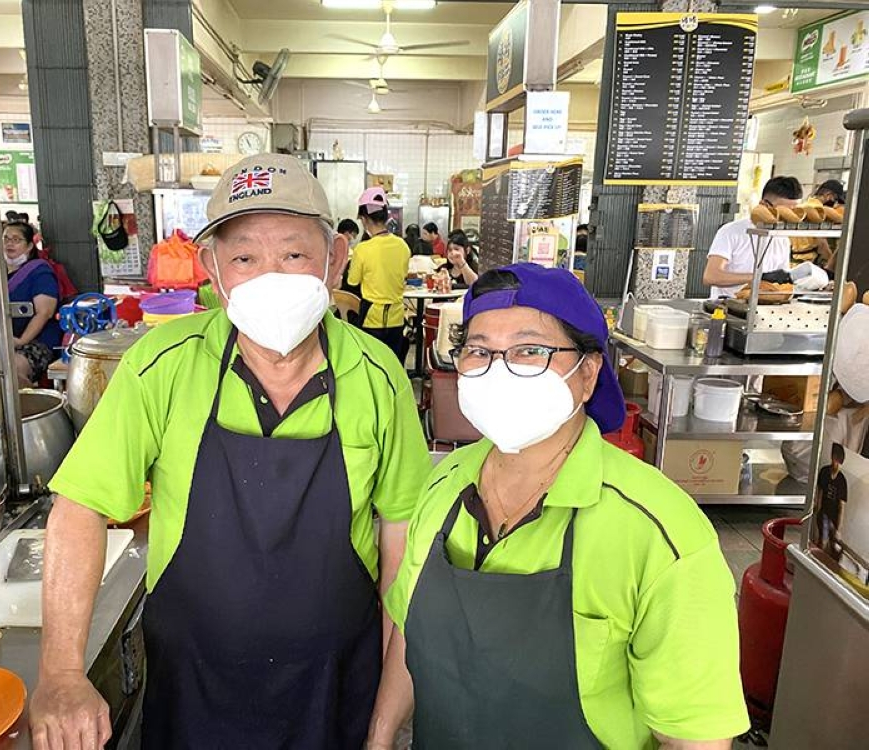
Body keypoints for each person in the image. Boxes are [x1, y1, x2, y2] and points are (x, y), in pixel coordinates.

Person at [32, 154, 431, 750]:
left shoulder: (377, 375)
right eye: (244, 257)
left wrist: (383, 722)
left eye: (294, 254)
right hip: (194, 689)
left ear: (334, 260)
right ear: (212, 272)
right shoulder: (160, 364)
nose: (271, 274)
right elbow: (79, 508)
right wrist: (61, 673)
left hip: (336, 689)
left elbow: (403, 543)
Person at [368, 263, 749, 750]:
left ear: (587, 374)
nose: (499, 369)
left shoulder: (660, 534)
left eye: (529, 350)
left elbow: (695, 739)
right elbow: (407, 630)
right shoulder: (442, 483)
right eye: (479, 351)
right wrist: (378, 739)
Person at [703, 176, 803, 298]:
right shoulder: (731, 232)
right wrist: (759, 276)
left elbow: (782, 282)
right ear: (764, 204)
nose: (788, 218)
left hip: (765, 307)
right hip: (727, 307)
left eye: (794, 213)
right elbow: (711, 276)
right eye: (783, 212)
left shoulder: (782, 239)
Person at [349, 187, 412, 359]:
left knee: (372, 365)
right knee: (394, 365)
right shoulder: (403, 246)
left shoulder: (362, 249)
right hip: (397, 318)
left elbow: (353, 282)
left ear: (364, 219)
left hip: (371, 319)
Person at [3, 220, 61, 387]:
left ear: (29, 246)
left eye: (16, 239)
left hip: (39, 341)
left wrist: (21, 341)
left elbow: (45, 312)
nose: (9, 244)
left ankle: (29, 409)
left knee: (13, 369)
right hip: (7, 339)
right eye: (6, 239)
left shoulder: (40, 272)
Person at [814, 442, 848, 561]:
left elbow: (841, 506)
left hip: (833, 515)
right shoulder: (824, 472)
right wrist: (816, 509)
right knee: (822, 540)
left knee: (833, 544)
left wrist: (839, 528)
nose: (836, 464)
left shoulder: (841, 480)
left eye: (838, 462)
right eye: (835, 460)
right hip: (824, 511)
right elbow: (820, 492)